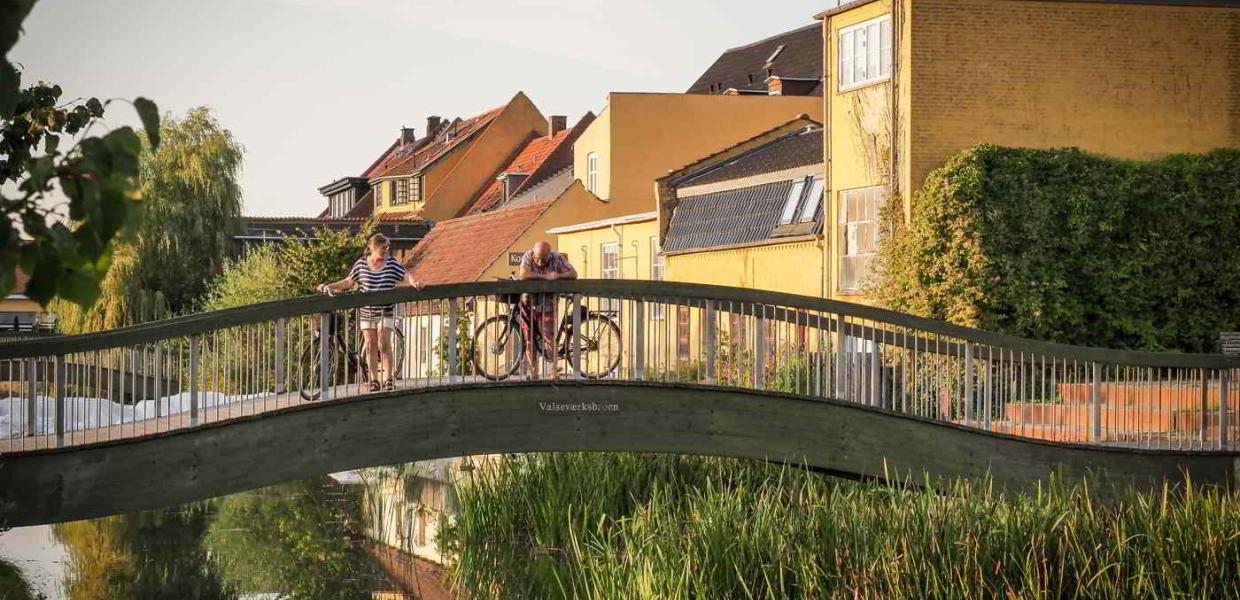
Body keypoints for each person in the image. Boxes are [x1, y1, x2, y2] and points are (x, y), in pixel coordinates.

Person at [318, 233, 422, 392]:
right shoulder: (361, 264)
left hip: (385, 309)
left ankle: (388, 379)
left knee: (384, 342)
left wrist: (414, 281)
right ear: (373, 248)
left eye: (387, 247)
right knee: (370, 344)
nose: (386, 250)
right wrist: (330, 286)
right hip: (367, 310)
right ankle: (374, 380)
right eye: (383, 247)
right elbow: (349, 281)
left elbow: (405, 274)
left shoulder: (392, 263)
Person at [518, 241, 577, 379]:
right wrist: (544, 277)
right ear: (533, 254)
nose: (539, 262)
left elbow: (573, 273)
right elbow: (523, 273)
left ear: (549, 254)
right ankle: (533, 372)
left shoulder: (556, 258)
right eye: (537, 258)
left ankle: (554, 370)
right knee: (529, 337)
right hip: (529, 301)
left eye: (543, 259)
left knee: (548, 336)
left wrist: (558, 276)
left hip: (548, 302)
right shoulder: (528, 255)